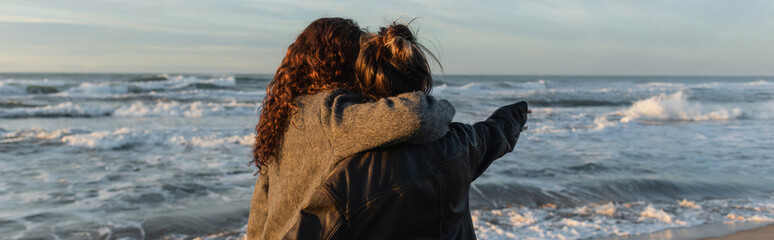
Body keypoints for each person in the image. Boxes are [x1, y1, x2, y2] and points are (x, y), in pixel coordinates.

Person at [282, 23, 529, 239]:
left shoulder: (347, 180)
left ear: (363, 89)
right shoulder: (460, 144)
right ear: (423, 83)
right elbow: (495, 132)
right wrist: (518, 113)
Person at [246, 18, 456, 240]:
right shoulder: (330, 113)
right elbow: (417, 117)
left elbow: (259, 213)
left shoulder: (283, 114)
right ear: (343, 61)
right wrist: (447, 108)